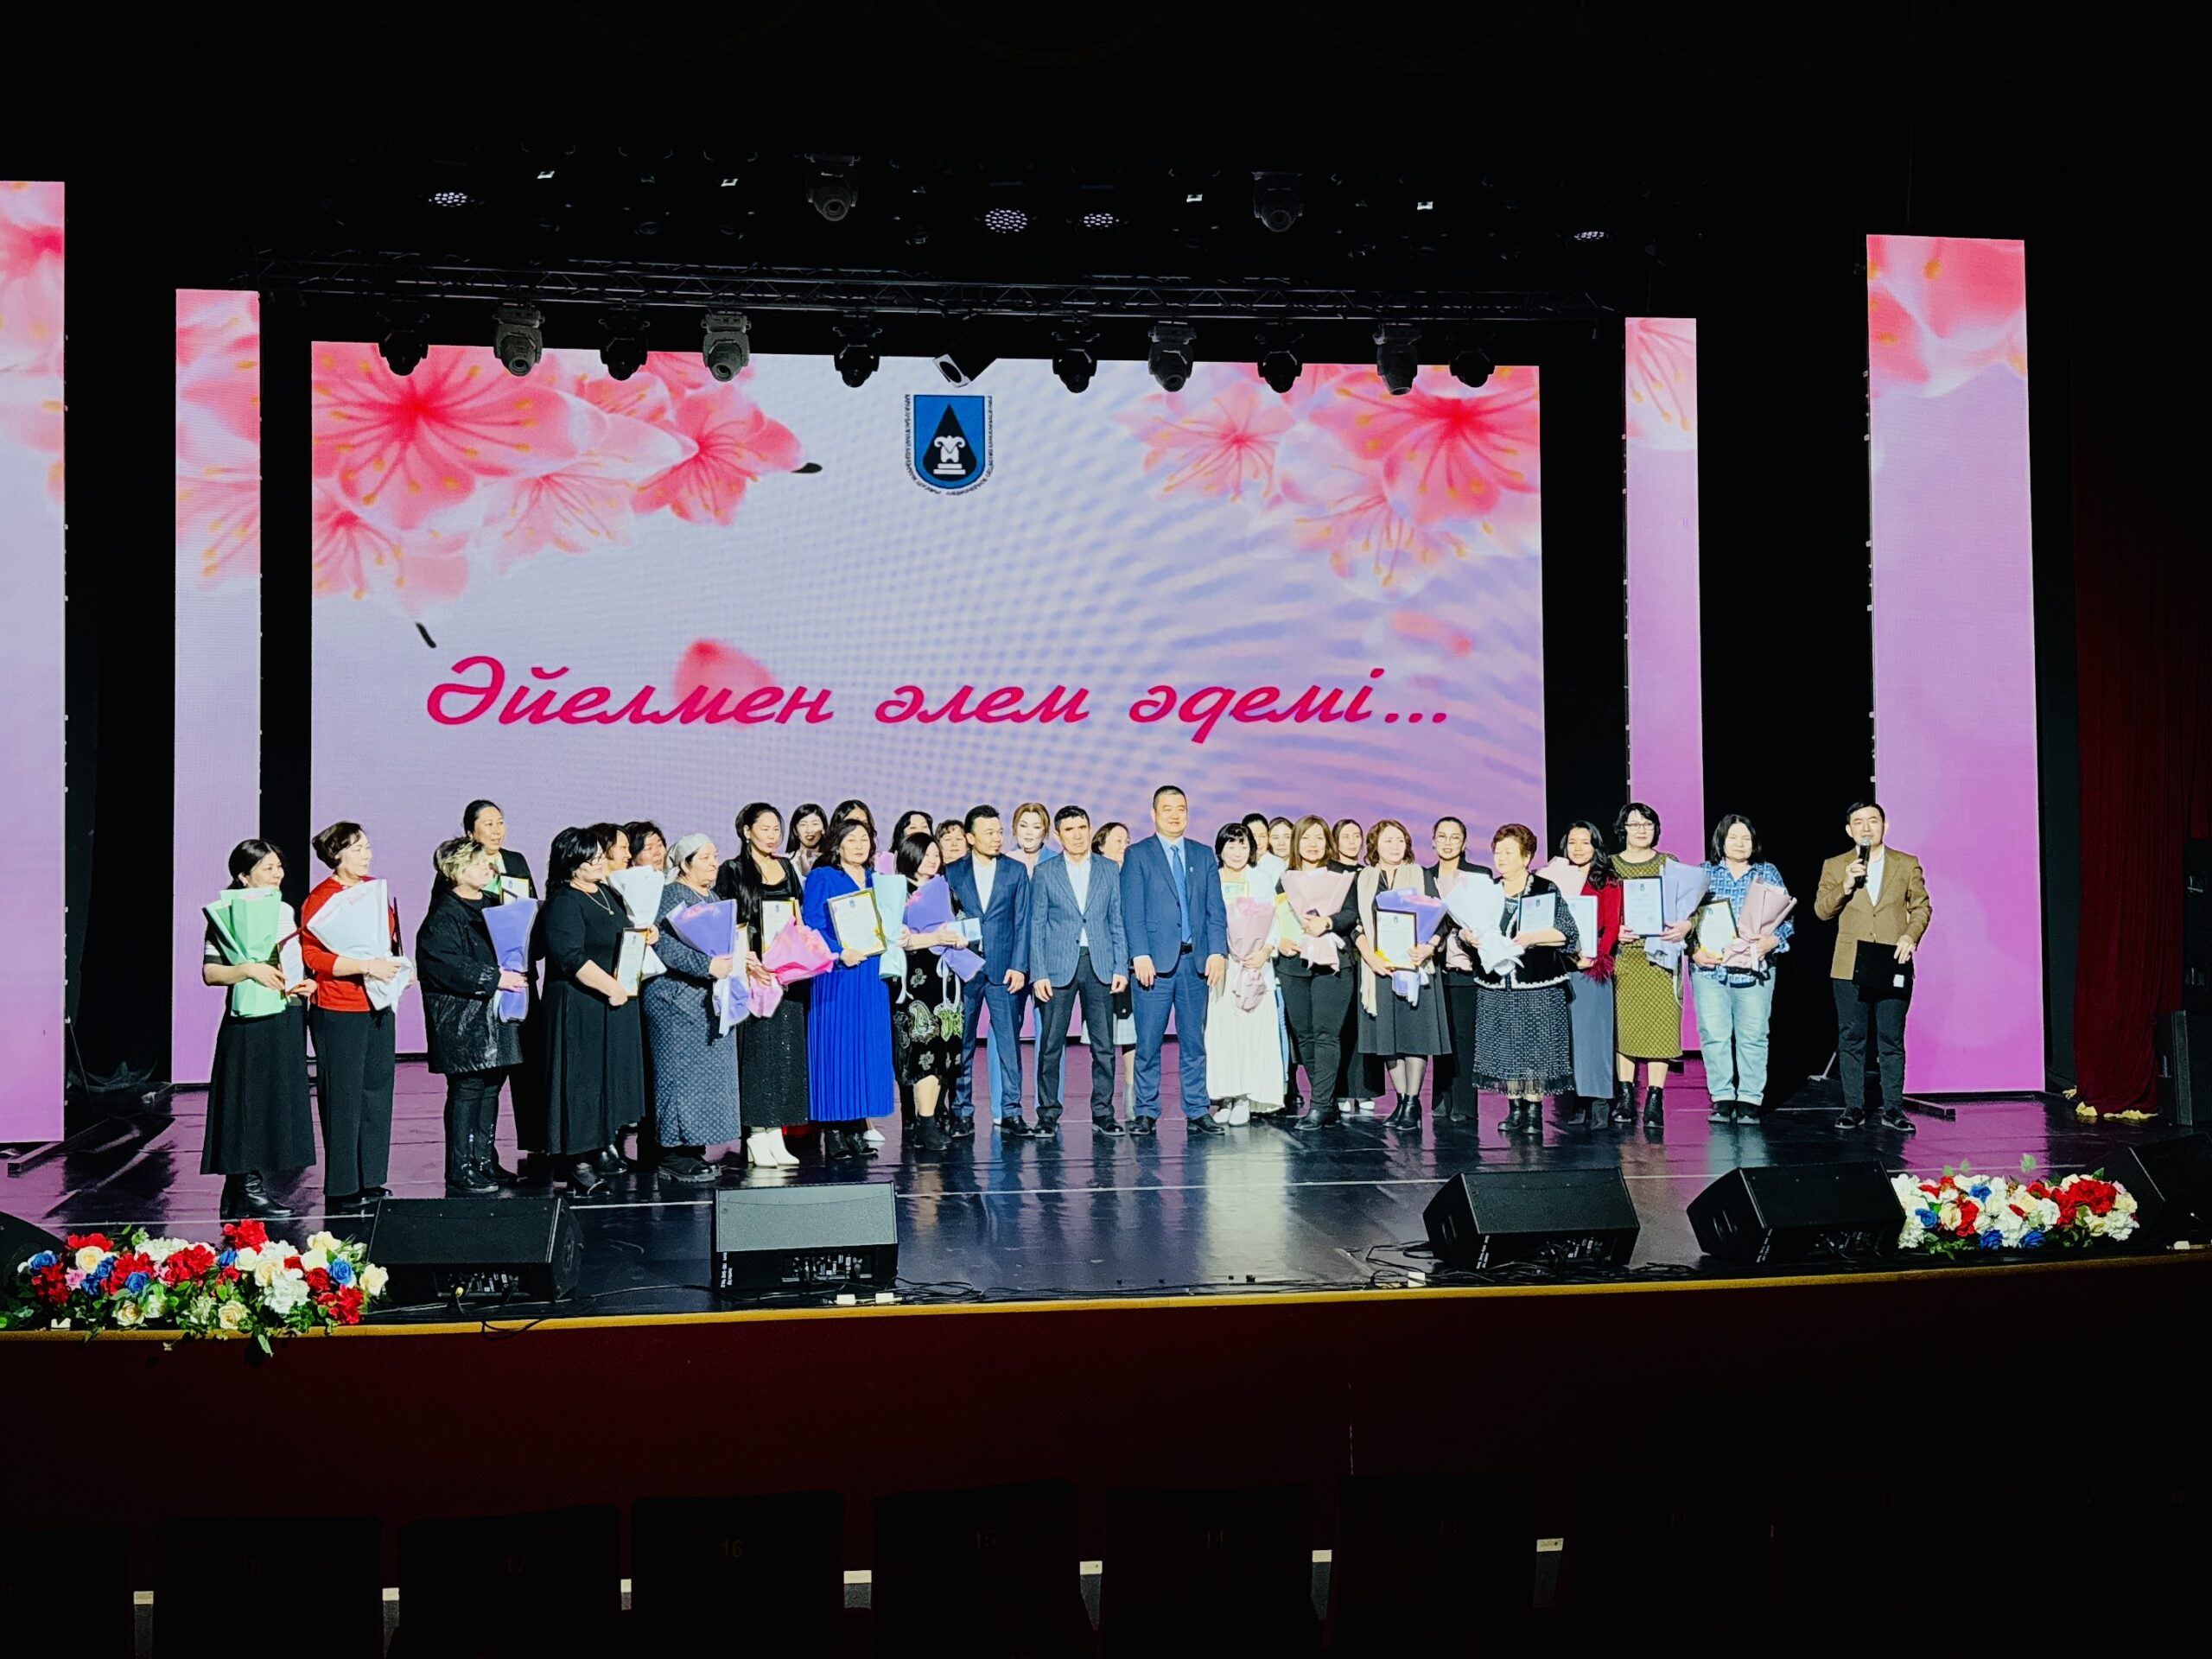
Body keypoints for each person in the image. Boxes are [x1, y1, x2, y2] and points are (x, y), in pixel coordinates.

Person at [199, 839, 316, 1219]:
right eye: (268, 868)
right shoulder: (228, 914)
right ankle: (246, 1189)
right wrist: (249, 969)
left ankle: (243, 1190)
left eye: (279, 866)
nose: (278, 874)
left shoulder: (282, 911)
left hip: (285, 1014)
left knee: (272, 1101)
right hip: (248, 1022)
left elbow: (291, 960)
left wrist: (301, 982)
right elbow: (211, 973)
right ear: (243, 877)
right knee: (245, 1102)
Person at [531, 825, 649, 1194]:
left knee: (604, 1081)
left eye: (600, 856)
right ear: (571, 864)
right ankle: (576, 1162)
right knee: (579, 1083)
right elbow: (570, 957)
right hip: (578, 1005)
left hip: (610, 1003)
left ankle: (600, 1147)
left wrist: (645, 935)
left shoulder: (606, 892)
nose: (600, 862)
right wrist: (611, 987)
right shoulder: (564, 902)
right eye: (592, 859)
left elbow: (621, 935)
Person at [416, 837, 530, 1196]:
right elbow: (445, 964)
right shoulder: (443, 915)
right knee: (467, 1088)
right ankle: (460, 1167)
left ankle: (484, 1159)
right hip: (462, 1018)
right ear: (457, 870)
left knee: (492, 1085)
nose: (488, 868)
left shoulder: (494, 905)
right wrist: (494, 978)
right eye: (479, 863)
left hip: (495, 1014)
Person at [300, 821, 404, 1211]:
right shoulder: (321, 898)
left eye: (367, 847)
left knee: (376, 1091)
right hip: (339, 1006)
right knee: (343, 1096)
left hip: (378, 1002)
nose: (366, 855)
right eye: (358, 848)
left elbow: (387, 940)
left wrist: (396, 968)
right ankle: (344, 1185)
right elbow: (312, 955)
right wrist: (362, 966)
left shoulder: (374, 890)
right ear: (337, 854)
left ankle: (372, 1177)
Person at [1814, 800, 1930, 1134]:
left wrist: (1910, 935)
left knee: (1891, 1039)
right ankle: (1853, 1106)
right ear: (1849, 830)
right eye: (1859, 822)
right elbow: (1822, 911)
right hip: (1850, 965)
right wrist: (1846, 885)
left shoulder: (1906, 864)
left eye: (1873, 821)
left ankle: (1893, 1108)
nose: (1866, 827)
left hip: (1892, 961)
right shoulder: (1836, 865)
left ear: (1885, 826)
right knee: (1852, 1038)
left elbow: (1922, 907)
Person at [1121, 785, 1231, 1136]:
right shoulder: (1138, 855)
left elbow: (1216, 910)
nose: (1174, 815)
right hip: (1153, 965)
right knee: (1148, 1042)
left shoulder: (1202, 855)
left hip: (1194, 964)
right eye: (1167, 809)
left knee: (1194, 1042)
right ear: (1153, 814)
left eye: (1180, 808)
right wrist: (1139, 953)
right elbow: (1131, 910)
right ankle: (1146, 1110)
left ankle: (1197, 1109)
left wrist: (1217, 951)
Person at [645, 833, 745, 1184]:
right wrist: (707, 966)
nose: (714, 864)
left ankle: (693, 1146)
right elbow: (661, 944)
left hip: (706, 1000)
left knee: (704, 1078)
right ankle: (672, 1152)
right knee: (678, 1075)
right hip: (675, 999)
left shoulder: (713, 897)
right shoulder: (670, 895)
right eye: (705, 858)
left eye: (715, 856)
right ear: (685, 864)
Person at [1024, 804, 1129, 1136]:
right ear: (1058, 835)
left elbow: (1117, 920)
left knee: (1103, 1046)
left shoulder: (1108, 869)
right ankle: (1047, 1114)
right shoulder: (1046, 872)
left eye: (1082, 828)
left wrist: (1120, 966)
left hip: (1100, 964)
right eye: (1069, 830)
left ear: (1090, 829)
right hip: (1057, 966)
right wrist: (1039, 973)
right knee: (1051, 1045)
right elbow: (1037, 925)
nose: (1078, 835)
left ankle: (1104, 1113)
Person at [1471, 825, 1580, 1135]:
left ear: (1527, 856)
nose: (1501, 858)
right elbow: (1470, 928)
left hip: (1538, 983)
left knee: (1537, 1048)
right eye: (1498, 852)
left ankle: (1533, 1110)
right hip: (1497, 984)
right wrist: (1467, 936)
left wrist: (1534, 937)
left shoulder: (1544, 889)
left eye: (1509, 852)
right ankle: (1515, 1107)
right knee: (1506, 1046)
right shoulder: (1488, 891)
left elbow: (1567, 933)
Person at [714, 803, 807, 1163]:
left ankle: (776, 1133)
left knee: (785, 1054)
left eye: (776, 829)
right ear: (746, 831)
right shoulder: (732, 870)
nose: (772, 835)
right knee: (758, 1055)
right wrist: (747, 959)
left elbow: (797, 916)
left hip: (786, 975)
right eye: (765, 828)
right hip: (753, 974)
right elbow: (725, 923)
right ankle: (755, 1133)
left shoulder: (786, 867)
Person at [1691, 814, 1794, 1126]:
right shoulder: (1704, 873)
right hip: (1711, 971)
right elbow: (1685, 919)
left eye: (1746, 838)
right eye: (1733, 838)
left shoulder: (1767, 872)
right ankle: (1722, 1097)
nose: (1740, 844)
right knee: (1714, 1035)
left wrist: (1773, 941)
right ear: (1720, 841)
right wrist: (1693, 951)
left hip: (1755, 969)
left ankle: (1750, 1098)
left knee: (1754, 1035)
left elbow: (1786, 919)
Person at [803, 817, 896, 1158]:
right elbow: (811, 925)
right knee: (836, 1049)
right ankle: (833, 1131)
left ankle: (857, 1125)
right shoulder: (823, 876)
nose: (859, 846)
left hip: (871, 974)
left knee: (864, 1049)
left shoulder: (876, 879)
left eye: (865, 839)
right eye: (852, 839)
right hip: (837, 974)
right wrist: (839, 951)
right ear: (837, 844)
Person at [1351, 820, 1449, 1129]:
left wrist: (1429, 947)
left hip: (1416, 968)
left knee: (1415, 1036)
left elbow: (1442, 919)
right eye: (1388, 840)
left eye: (1400, 840)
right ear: (1374, 845)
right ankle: (1402, 1101)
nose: (1395, 847)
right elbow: (1353, 924)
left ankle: (1412, 1102)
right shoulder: (1363, 878)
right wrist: (1370, 957)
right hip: (1380, 969)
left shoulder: (1420, 875)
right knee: (1389, 1040)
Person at [944, 804, 1033, 1136]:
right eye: (989, 833)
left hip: (1003, 970)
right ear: (970, 838)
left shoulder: (1015, 871)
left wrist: (1019, 966)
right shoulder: (952, 872)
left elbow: (1023, 922)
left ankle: (1012, 1111)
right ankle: (962, 1111)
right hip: (964, 969)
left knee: (1009, 1044)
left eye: (999, 832)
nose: (997, 838)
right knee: (962, 1044)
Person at [1281, 816, 1359, 1133]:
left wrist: (1328, 922)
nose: (1312, 844)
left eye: (1319, 838)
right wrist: (1278, 940)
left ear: (1328, 842)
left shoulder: (1342, 875)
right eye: (1306, 838)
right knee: (1305, 1036)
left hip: (1332, 964)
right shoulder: (1284, 879)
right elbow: (1274, 916)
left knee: (1326, 1034)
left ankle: (1321, 1105)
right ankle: (1324, 1101)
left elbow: (1352, 913)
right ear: (1296, 842)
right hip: (1293, 965)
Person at [1610, 801, 1686, 1131]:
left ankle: (1655, 1099)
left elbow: (1689, 905)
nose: (1642, 830)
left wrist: (1686, 926)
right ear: (1623, 829)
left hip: (1661, 959)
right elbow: (1600, 911)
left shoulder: (1670, 863)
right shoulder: (1610, 866)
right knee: (1624, 1029)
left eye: (1648, 824)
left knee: (1660, 1029)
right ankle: (1626, 1097)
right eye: (1635, 824)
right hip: (1625, 958)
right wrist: (1613, 931)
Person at [893, 830, 969, 1153]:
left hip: (947, 981)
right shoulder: (897, 891)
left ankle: (931, 1118)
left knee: (943, 1052)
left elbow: (960, 923)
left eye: (936, 855)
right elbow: (897, 939)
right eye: (927, 854)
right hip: (915, 983)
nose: (933, 860)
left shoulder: (945, 889)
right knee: (923, 1051)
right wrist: (935, 938)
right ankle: (923, 1122)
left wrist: (962, 937)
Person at [1206, 823, 1287, 1123]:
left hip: (1255, 967)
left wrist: (1264, 951)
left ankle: (1245, 1098)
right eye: (1231, 845)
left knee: (1252, 1034)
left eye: (1243, 845)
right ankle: (1225, 1097)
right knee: (1224, 1035)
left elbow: (1274, 922)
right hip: (1224, 968)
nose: (1237, 851)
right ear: (1220, 850)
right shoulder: (1212, 879)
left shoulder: (1261, 879)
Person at [1554, 821, 1624, 1128]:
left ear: (1596, 846)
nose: (1578, 848)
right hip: (1563, 966)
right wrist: (1569, 957)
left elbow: (1611, 926)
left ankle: (1600, 1102)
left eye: (1585, 842)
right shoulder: (1555, 879)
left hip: (1593, 967)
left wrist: (1595, 956)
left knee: (1595, 1037)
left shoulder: (1607, 880)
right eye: (1572, 842)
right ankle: (1578, 1100)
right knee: (1570, 1038)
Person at [1426, 817, 1486, 1127]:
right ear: (1433, 841)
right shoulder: (1424, 877)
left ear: (1464, 843)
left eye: (1455, 837)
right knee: (1440, 1034)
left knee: (1463, 1036)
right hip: (1433, 967)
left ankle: (1464, 1103)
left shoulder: (1479, 876)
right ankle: (1441, 1098)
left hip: (1466, 967)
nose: (1448, 842)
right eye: (1442, 836)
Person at [1094, 822, 1141, 1112]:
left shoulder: (1134, 876)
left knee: (1131, 1031)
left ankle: (1132, 1090)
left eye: (1127, 840)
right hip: (1101, 964)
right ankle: (1103, 1098)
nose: (1124, 846)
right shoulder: (1094, 876)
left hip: (1133, 965)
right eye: (1117, 841)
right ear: (1101, 846)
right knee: (1104, 1033)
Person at [465, 799, 535, 900]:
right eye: (489, 824)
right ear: (471, 833)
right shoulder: (459, 865)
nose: (497, 831)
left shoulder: (516, 860)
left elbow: (532, 902)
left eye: (500, 823)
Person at [786, 803, 828, 876]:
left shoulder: (833, 862)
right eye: (803, 824)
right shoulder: (786, 861)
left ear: (824, 828)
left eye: (815, 824)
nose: (809, 830)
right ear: (795, 831)